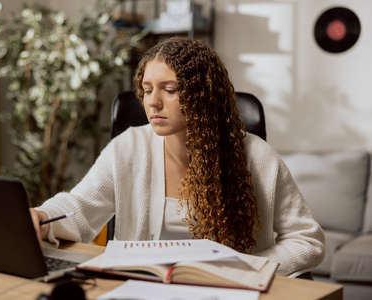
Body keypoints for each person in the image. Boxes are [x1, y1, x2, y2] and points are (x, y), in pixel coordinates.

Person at [30, 37, 324, 277]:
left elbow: (306, 240)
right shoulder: (129, 148)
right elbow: (80, 207)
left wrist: (249, 269)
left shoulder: (256, 157)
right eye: (146, 90)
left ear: (202, 94)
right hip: (143, 289)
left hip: (226, 293)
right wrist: (43, 217)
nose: (153, 102)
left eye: (169, 90)